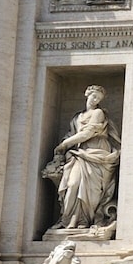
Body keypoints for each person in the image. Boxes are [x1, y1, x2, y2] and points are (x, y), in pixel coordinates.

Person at [48, 85, 120, 230]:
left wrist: (65, 144)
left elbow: (87, 133)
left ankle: (83, 221)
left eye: (98, 98)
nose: (95, 100)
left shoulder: (98, 113)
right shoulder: (77, 117)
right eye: (94, 96)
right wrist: (66, 143)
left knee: (90, 190)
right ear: (87, 94)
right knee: (72, 184)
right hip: (79, 154)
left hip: (96, 152)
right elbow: (73, 133)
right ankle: (67, 220)